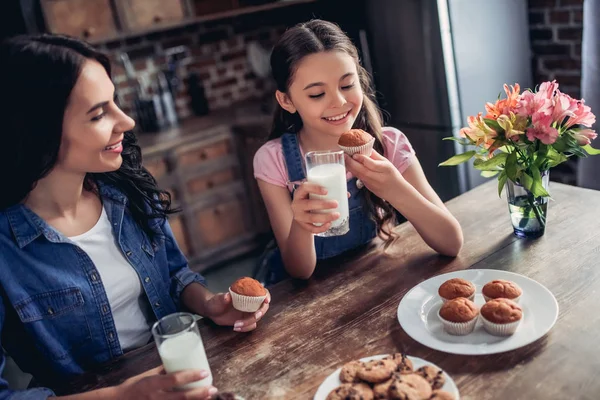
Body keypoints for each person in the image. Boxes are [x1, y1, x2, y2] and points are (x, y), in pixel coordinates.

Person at [0, 34, 270, 399]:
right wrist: (120, 396)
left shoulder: (125, 190)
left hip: (186, 378)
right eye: (98, 114)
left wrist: (209, 304)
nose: (125, 121)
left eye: (115, 103)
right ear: (36, 131)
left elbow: (175, 275)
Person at [253, 20, 463, 284]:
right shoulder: (274, 160)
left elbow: (452, 243)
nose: (339, 102)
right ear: (286, 100)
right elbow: (299, 270)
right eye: (317, 94)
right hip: (308, 301)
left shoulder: (389, 145)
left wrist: (395, 188)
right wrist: (302, 224)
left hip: (376, 281)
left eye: (347, 85)